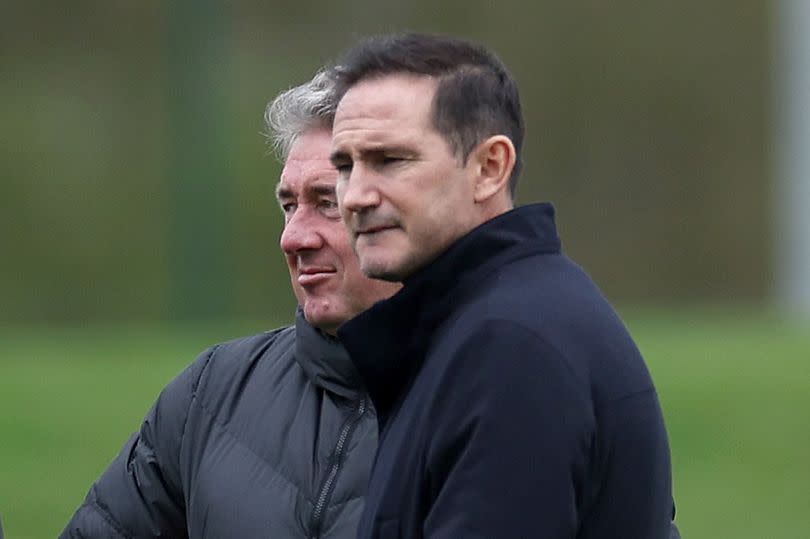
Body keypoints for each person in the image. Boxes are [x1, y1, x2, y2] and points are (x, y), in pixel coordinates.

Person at [331, 33, 678, 538]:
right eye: (345, 166)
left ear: (490, 168)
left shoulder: (509, 345)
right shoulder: (497, 320)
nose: (355, 196)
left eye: (390, 160)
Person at [60, 70, 400, 538]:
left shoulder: (490, 393)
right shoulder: (212, 393)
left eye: (326, 202)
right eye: (288, 205)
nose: (293, 237)